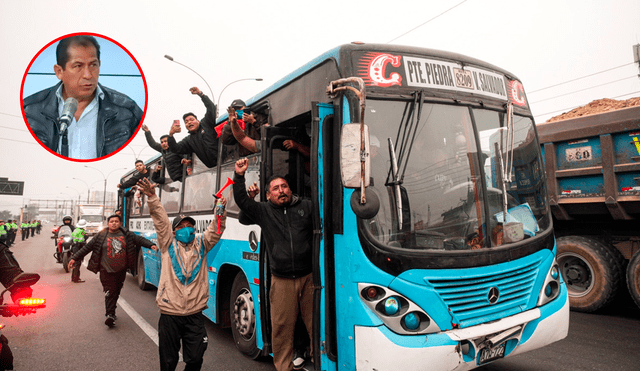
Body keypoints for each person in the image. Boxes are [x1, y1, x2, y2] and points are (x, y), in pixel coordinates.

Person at [137, 177, 226, 371]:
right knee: (168, 362)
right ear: (175, 231)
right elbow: (161, 222)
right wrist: (152, 197)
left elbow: (216, 229)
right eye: (182, 226)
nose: (187, 229)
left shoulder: (202, 244)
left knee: (195, 359)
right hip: (170, 314)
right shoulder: (167, 244)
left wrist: (220, 210)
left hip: (195, 314)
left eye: (190, 226)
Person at [233, 158, 314, 371]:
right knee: (282, 329)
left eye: (284, 186)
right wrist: (239, 176)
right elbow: (242, 201)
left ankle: (320, 362)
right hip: (282, 281)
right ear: (268, 195)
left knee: (316, 325)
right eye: (276, 189)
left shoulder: (307, 207)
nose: (281, 191)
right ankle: (283, 367)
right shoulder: (264, 211)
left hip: (309, 279)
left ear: (290, 189)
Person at [22, 35, 143, 159]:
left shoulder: (127, 110)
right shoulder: (29, 111)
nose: (88, 75)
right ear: (59, 71)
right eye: (78, 66)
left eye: (93, 65)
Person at [68, 214, 156, 327]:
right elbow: (87, 248)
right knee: (110, 291)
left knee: (116, 290)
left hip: (121, 270)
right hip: (105, 269)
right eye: (111, 221)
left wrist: (151, 245)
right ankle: (110, 314)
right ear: (108, 224)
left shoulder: (127, 234)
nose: (114, 223)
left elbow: (139, 240)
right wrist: (74, 258)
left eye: (116, 221)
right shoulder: (101, 236)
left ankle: (111, 311)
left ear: (120, 223)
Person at [167, 87, 218, 168]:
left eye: (191, 119)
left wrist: (200, 94)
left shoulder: (206, 123)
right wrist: (170, 135)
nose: (189, 122)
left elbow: (211, 108)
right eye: (186, 122)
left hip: (226, 162)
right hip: (213, 169)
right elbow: (175, 149)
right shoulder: (188, 140)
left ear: (198, 121)